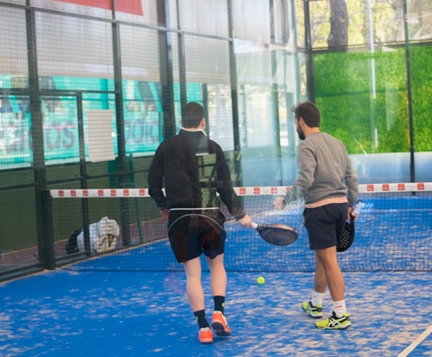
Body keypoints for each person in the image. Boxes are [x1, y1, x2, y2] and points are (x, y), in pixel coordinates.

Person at [148, 102, 253, 344]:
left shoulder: (166, 147)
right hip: (209, 218)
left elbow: (153, 183)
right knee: (217, 267)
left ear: (180, 121)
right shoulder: (213, 147)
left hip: (180, 219)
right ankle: (219, 313)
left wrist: (163, 206)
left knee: (192, 275)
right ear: (203, 121)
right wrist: (240, 214)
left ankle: (204, 328)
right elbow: (225, 187)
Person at [273, 101, 359, 330]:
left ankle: (340, 314)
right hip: (340, 207)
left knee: (329, 260)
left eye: (295, 122)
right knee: (324, 256)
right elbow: (351, 176)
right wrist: (350, 203)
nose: (296, 126)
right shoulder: (337, 143)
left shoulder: (306, 146)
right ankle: (316, 303)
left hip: (320, 209)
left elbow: (306, 178)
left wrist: (285, 200)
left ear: (301, 121)